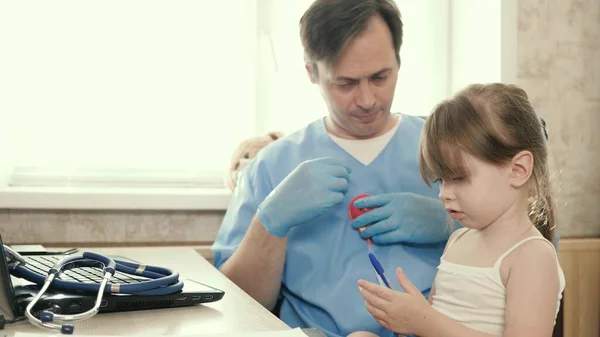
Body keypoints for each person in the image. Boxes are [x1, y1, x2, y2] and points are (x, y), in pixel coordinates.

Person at [211, 1, 456, 336]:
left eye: (380, 77)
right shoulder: (273, 167)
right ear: (312, 73)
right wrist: (270, 224)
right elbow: (238, 307)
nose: (368, 99)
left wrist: (451, 224)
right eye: (346, 83)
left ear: (398, 61)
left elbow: (526, 247)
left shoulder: (451, 147)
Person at [350, 83, 566, 337]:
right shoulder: (458, 240)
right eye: (441, 180)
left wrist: (423, 320)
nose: (443, 194)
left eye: (458, 178)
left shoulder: (532, 256)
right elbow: (432, 327)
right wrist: (406, 317)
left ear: (518, 170)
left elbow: (432, 326)